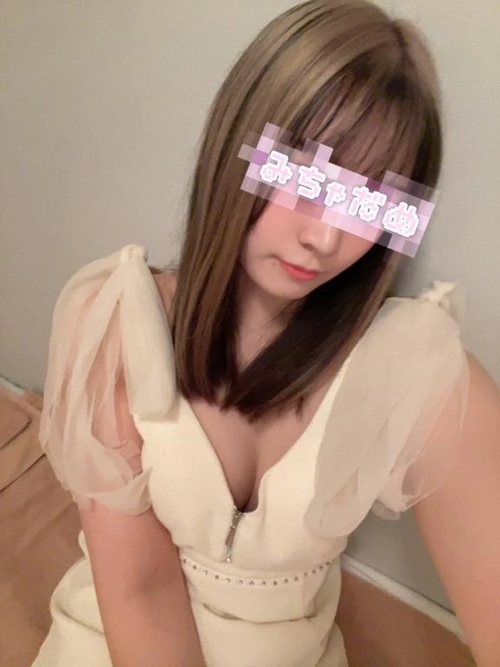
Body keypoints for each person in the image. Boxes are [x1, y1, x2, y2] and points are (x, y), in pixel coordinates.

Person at [32, 1, 500, 666]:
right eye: (306, 175)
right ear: (238, 145)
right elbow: (139, 590)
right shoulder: (113, 319)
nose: (326, 237)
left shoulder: (419, 373)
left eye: (369, 201)